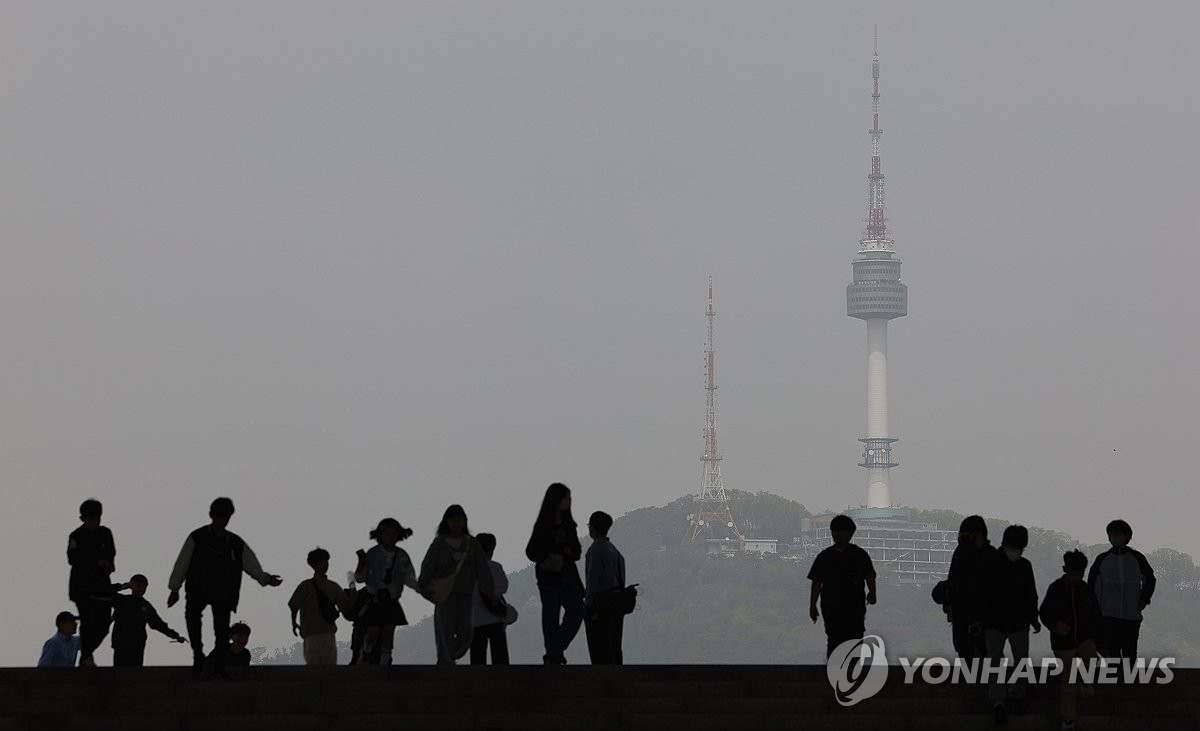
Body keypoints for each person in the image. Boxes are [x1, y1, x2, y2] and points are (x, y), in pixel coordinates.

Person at [167, 497, 282, 676]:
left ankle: (220, 664)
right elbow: (182, 563)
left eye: (225, 518)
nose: (222, 521)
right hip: (198, 588)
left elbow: (250, 564)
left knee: (221, 629)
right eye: (219, 517)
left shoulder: (235, 543)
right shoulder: (197, 537)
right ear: (211, 516)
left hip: (223, 591)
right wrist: (175, 588)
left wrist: (265, 579)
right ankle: (198, 655)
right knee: (193, 619)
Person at [418, 505, 497, 665]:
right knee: (444, 631)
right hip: (444, 595)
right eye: (452, 518)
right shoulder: (439, 543)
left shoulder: (472, 544)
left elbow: (482, 570)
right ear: (446, 521)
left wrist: (490, 593)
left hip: (465, 594)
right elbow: (428, 565)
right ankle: (446, 664)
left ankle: (448, 657)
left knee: (466, 634)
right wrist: (423, 586)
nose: (456, 522)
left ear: (464, 521)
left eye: (459, 518)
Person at [982, 525, 1040, 724]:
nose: (1018, 552)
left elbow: (1031, 594)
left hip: (1013, 622)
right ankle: (1001, 700)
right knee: (999, 661)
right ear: (1006, 545)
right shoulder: (991, 563)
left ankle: (1011, 696)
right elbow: (982, 594)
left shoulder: (1023, 565)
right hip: (997, 622)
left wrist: (1033, 617)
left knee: (1017, 661)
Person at [1039, 550, 1102, 731]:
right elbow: (1044, 612)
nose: (1075, 578)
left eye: (1079, 574)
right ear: (1065, 570)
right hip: (1062, 642)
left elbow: (1097, 618)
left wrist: (1103, 644)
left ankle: (1085, 681)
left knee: (1091, 658)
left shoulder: (1087, 591)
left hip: (1084, 638)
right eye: (1072, 573)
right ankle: (1068, 718)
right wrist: (1054, 624)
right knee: (1068, 680)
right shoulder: (1055, 589)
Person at [525, 483, 585, 665]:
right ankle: (553, 653)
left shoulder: (569, 525)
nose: (569, 502)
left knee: (576, 611)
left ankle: (554, 649)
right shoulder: (542, 525)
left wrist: (568, 551)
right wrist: (544, 559)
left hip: (567, 575)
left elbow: (577, 551)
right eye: (567, 498)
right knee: (551, 615)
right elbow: (531, 551)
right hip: (548, 577)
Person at [1087, 519, 1156, 671]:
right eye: (1110, 535)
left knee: (1130, 652)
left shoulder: (1137, 558)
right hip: (1107, 615)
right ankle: (1115, 687)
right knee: (1112, 654)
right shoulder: (1102, 559)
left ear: (1126, 536)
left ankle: (1128, 687)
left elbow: (1150, 579)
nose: (1113, 538)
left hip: (1131, 615)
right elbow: (1092, 586)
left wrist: (1144, 600)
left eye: (1117, 534)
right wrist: (1095, 609)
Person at [808, 514, 877, 658]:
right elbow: (816, 582)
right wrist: (812, 605)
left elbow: (870, 575)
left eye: (842, 531)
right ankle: (835, 671)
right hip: (831, 605)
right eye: (835, 530)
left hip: (854, 605)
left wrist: (872, 592)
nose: (838, 534)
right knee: (834, 638)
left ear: (850, 534)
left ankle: (851, 672)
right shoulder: (825, 557)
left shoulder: (859, 555)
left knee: (855, 638)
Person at [354, 518, 418, 665]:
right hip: (374, 599)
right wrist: (362, 564)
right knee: (373, 633)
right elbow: (360, 578)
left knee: (389, 632)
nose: (391, 537)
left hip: (391, 599)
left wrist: (421, 589)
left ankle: (385, 662)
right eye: (387, 534)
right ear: (380, 535)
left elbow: (409, 577)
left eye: (394, 533)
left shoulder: (402, 555)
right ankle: (366, 650)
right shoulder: (373, 553)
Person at [67, 499, 117, 667]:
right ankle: (86, 656)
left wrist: (109, 564)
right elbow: (72, 558)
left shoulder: (106, 533)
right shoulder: (76, 536)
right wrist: (96, 562)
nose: (94, 522)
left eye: (96, 518)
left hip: (102, 587)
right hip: (82, 587)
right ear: (83, 518)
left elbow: (111, 553)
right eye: (90, 519)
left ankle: (86, 653)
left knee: (103, 624)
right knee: (88, 622)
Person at [289, 548, 350, 666]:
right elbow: (294, 605)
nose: (325, 565)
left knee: (326, 668)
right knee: (316, 667)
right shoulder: (306, 586)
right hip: (311, 633)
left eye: (326, 562)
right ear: (313, 565)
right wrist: (294, 622)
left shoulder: (332, 586)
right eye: (321, 562)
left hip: (327, 633)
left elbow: (346, 608)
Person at [947, 515, 995, 662]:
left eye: (965, 535)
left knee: (984, 657)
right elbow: (952, 580)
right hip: (960, 617)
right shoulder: (960, 553)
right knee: (965, 654)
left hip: (984, 620)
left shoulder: (990, 555)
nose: (961, 538)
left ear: (977, 533)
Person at [111, 574, 186, 667]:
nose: (141, 589)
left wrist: (175, 636)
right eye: (138, 586)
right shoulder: (121, 600)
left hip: (137, 646)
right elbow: (104, 591)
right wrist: (122, 586)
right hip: (120, 644)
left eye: (144, 587)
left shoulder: (147, 606)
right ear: (132, 586)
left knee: (136, 675)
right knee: (119, 674)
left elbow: (159, 624)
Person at [583, 511, 627, 665]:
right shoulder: (615, 552)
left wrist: (588, 605)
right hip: (616, 604)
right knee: (614, 646)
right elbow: (622, 580)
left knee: (599, 648)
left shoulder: (595, 551)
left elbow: (592, 581)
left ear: (592, 528)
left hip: (600, 605)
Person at [470, 533, 510, 665]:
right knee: (500, 657)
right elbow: (503, 585)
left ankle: (477, 683)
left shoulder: (470, 569)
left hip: (476, 619)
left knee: (477, 658)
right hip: (495, 618)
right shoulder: (496, 567)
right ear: (492, 550)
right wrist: (494, 595)